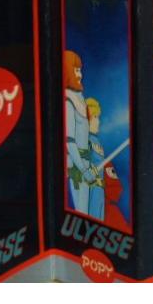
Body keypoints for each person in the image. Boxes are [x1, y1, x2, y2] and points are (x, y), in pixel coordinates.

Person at [64, 50, 96, 214]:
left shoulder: (79, 98)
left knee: (87, 211)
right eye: (76, 70)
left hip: (85, 162)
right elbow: (69, 141)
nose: (80, 75)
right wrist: (83, 169)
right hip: (77, 166)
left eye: (80, 70)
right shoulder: (68, 100)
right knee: (82, 212)